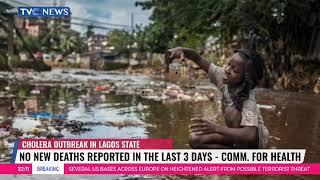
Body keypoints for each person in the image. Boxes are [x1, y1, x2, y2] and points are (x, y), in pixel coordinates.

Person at [166, 47, 269, 149]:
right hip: (239, 136)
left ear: (245, 79)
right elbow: (197, 58)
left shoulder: (248, 98)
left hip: (256, 141)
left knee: (232, 112)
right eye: (229, 64)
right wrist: (182, 50)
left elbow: (250, 134)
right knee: (195, 139)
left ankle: (242, 158)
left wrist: (216, 128)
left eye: (235, 70)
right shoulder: (223, 76)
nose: (228, 70)